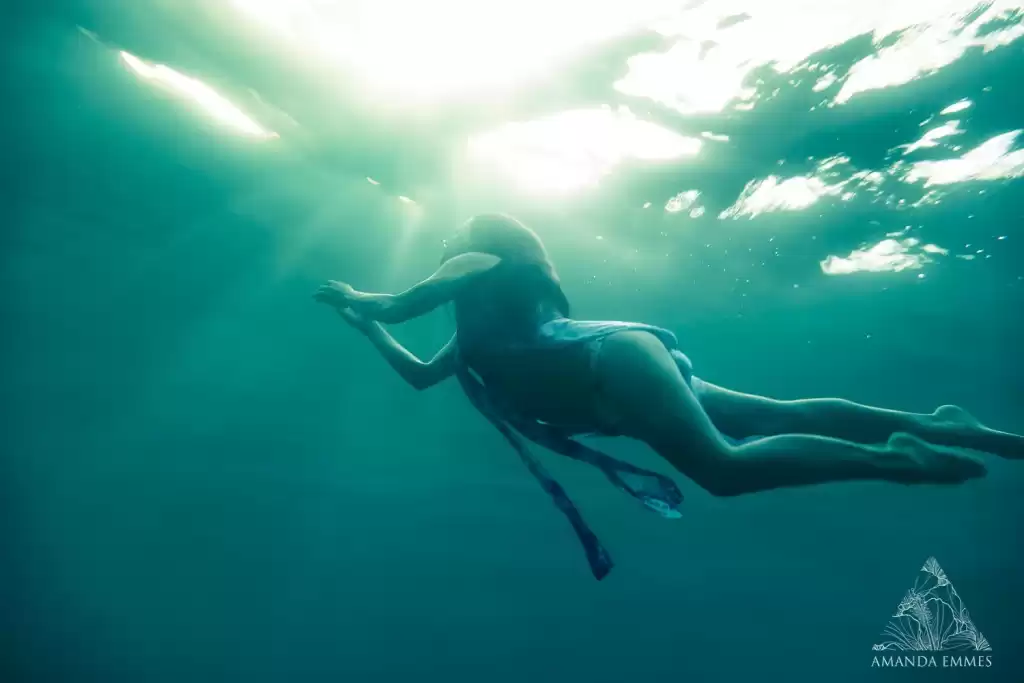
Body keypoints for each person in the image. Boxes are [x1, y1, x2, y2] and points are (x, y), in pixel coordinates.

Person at [314, 213, 1021, 578]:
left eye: (449, 235)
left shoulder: (481, 256)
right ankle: (939, 423)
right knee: (771, 416)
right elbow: (415, 370)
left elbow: (405, 301)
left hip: (609, 362)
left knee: (723, 467)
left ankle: (897, 457)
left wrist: (359, 297)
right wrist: (358, 325)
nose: (444, 240)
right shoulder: (476, 336)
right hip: (617, 370)